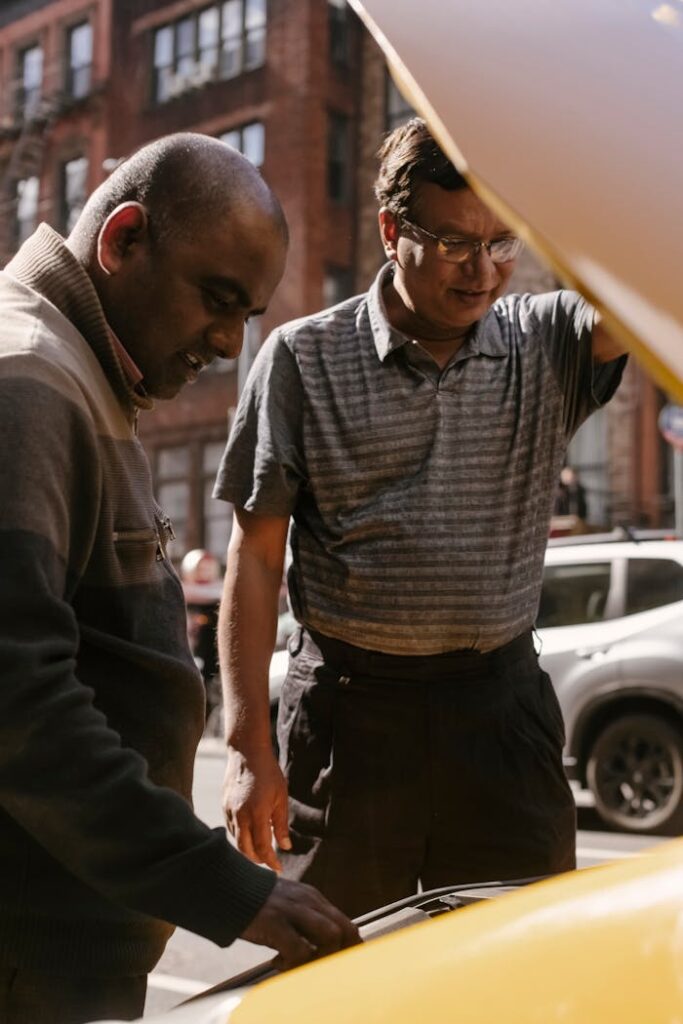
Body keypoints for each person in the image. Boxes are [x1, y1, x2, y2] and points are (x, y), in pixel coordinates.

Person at [215, 118, 628, 918]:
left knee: (519, 965)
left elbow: (653, 275)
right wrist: (245, 749)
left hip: (498, 712)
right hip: (348, 717)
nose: (481, 272)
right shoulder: (301, 359)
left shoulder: (547, 340)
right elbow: (256, 557)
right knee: (333, 969)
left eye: (498, 242)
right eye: (450, 243)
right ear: (389, 231)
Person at [0, 133, 358, 1024]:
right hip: (29, 955)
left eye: (250, 315)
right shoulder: (27, 377)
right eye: (218, 300)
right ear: (122, 241)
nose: (232, 344)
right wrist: (220, 887)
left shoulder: (86, 374)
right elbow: (16, 698)